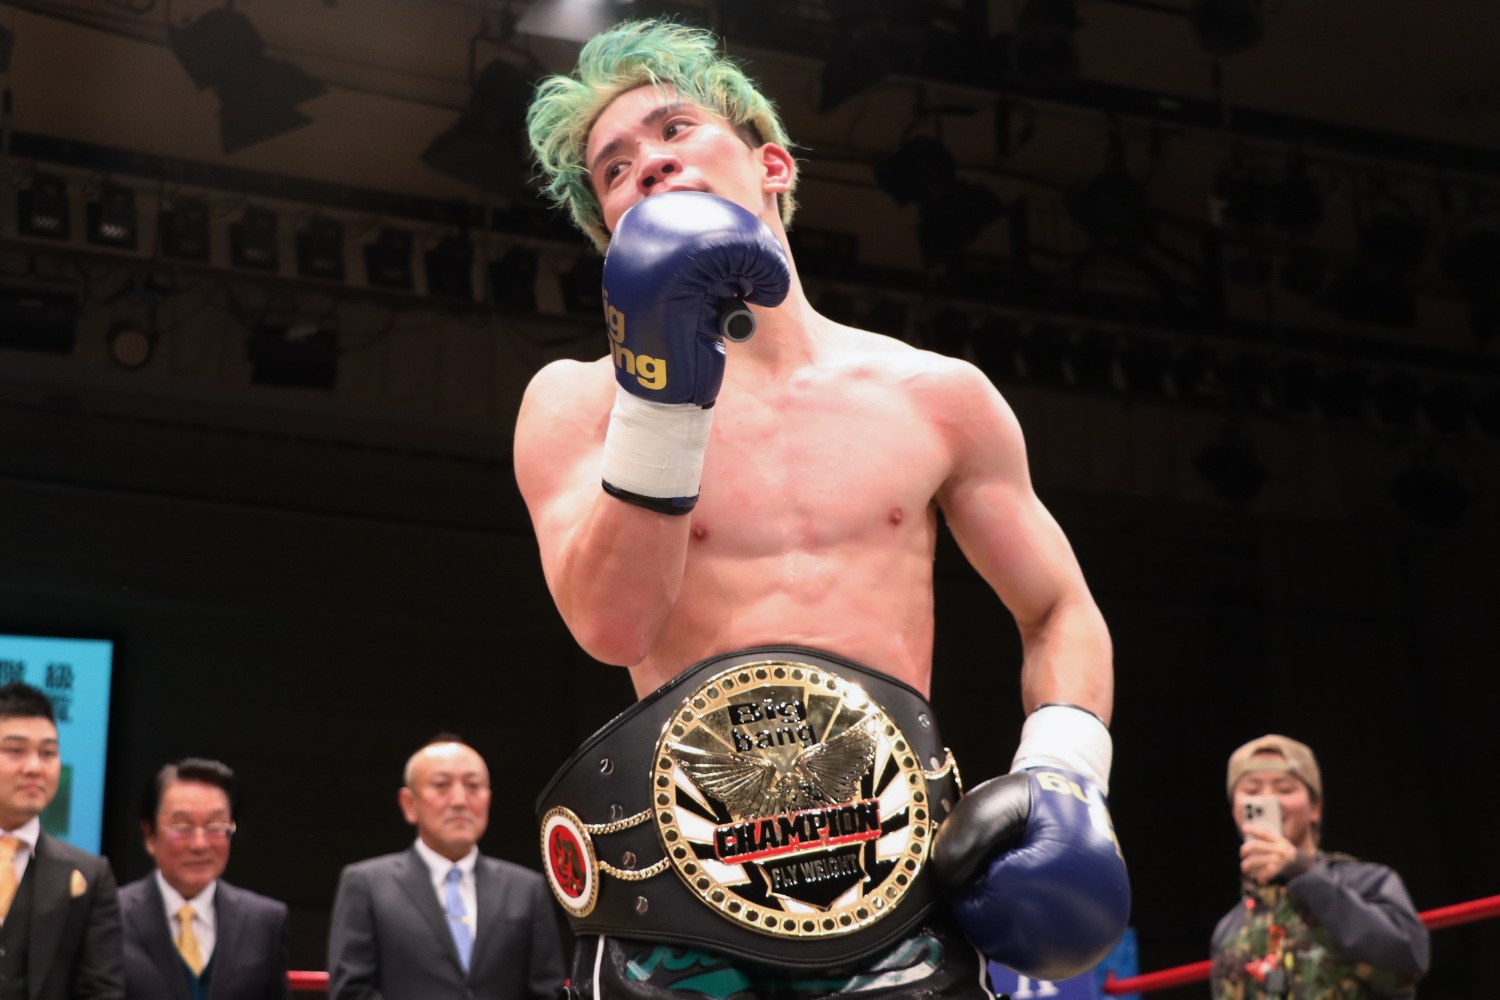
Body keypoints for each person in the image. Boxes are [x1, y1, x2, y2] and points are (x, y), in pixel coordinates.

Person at [517, 19, 1128, 998]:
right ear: (611, 230)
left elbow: (1059, 607)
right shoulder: (577, 404)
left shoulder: (936, 396)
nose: (648, 165)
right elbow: (612, 625)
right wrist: (662, 397)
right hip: (684, 900)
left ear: (772, 163)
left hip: (897, 891)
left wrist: (1065, 773)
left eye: (675, 129)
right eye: (615, 169)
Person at [327, 738, 566, 1000]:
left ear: (488, 799)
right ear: (409, 803)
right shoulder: (367, 883)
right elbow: (351, 991)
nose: (460, 800)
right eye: (442, 785)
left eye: (473, 786)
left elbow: (547, 992)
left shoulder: (527, 889)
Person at [1211, 735, 1429, 999]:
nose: (1269, 799)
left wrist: (1303, 873)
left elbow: (1408, 960)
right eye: (1252, 791)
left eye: (1284, 789)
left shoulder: (1367, 883)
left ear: (1315, 807)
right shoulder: (1231, 928)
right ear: (1236, 811)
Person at [119, 758, 291, 1000]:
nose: (200, 845)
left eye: (215, 826)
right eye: (182, 827)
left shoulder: (264, 921)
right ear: (149, 834)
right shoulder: (110, 916)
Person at [0, 681, 123, 999]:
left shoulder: (90, 875)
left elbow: (100, 991)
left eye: (48, 753)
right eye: (15, 751)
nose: (34, 767)